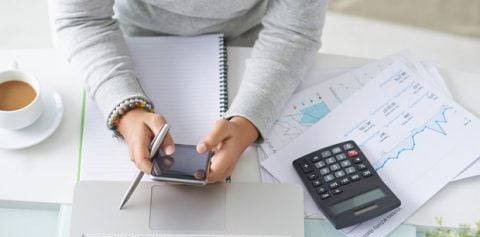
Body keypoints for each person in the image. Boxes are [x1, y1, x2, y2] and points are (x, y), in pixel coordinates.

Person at [55, 0, 328, 182]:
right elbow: (80, 19)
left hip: (252, 46)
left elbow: (296, 30)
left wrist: (250, 119)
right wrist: (123, 106)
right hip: (128, 42)